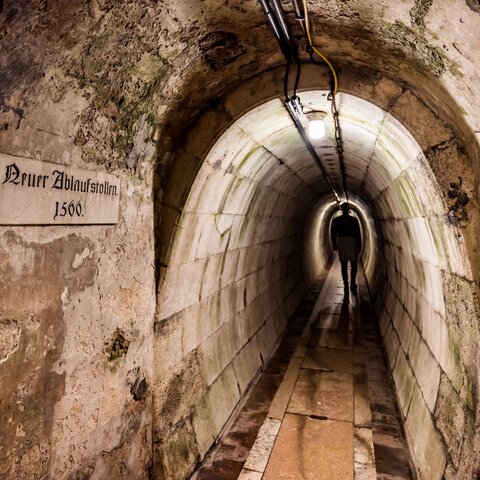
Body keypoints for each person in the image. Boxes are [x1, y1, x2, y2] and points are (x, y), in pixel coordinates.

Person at [330, 202, 362, 295]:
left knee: (343, 264)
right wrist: (359, 245)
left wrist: (334, 244)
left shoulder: (337, 220)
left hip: (342, 241)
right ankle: (352, 283)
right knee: (354, 264)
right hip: (352, 241)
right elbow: (358, 233)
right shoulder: (354, 220)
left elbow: (333, 233)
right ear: (349, 210)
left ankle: (346, 283)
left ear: (341, 210)